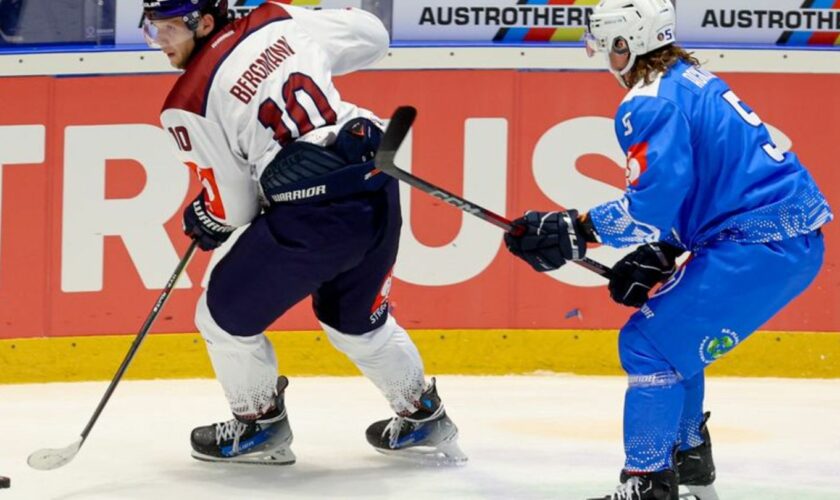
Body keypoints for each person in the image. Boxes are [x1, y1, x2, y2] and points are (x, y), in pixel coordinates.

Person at [503, 0, 832, 498]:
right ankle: (688, 461)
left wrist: (575, 228)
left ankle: (649, 483)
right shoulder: (689, 78)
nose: (599, 54)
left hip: (758, 245)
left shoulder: (648, 101)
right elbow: (706, 178)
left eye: (604, 44)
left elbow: (649, 205)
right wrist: (666, 248)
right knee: (673, 341)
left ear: (623, 45)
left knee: (647, 345)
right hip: (777, 236)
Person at [142, 0, 465, 466]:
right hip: (375, 177)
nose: (160, 43)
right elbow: (373, 36)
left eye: (167, 29)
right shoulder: (275, 17)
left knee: (222, 318)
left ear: (205, 22)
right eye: (153, 31)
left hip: (314, 214)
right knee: (355, 321)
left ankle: (258, 424)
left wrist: (208, 217)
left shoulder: (186, 102)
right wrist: (304, 50)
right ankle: (422, 413)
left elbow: (234, 206)